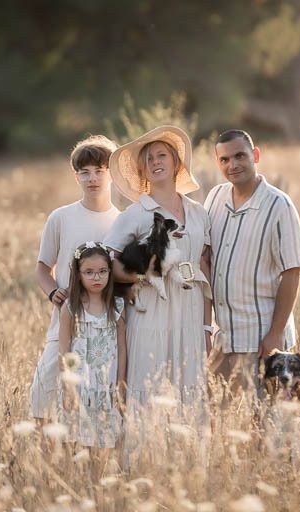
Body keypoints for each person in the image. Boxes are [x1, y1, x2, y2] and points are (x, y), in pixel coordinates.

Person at [103, 125, 212, 468]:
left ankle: (187, 471)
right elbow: (108, 265)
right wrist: (145, 274)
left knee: (189, 385)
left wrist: (208, 329)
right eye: (148, 159)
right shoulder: (136, 213)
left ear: (177, 162)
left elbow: (205, 266)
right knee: (148, 385)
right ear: (142, 170)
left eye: (161, 155)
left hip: (192, 310)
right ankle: (141, 469)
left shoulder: (198, 212)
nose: (154, 162)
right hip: (149, 310)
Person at [204, 129, 300, 396]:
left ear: (255, 155)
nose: (233, 164)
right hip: (223, 338)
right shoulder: (215, 198)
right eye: (225, 159)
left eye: (240, 156)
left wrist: (275, 334)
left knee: (260, 423)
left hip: (260, 340)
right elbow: (205, 257)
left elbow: (292, 272)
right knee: (218, 420)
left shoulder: (278, 206)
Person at [29, 135, 120, 421]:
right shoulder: (62, 217)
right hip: (66, 323)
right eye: (85, 172)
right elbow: (43, 268)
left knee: (92, 405)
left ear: (112, 173)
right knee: (44, 395)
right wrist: (53, 292)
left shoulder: (123, 221)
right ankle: (46, 460)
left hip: (104, 329)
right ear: (76, 175)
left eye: (100, 170)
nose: (93, 178)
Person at [57, 242, 127, 478]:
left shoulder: (116, 306)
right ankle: (80, 481)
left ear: (109, 272)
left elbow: (122, 347)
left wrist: (121, 384)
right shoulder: (70, 307)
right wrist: (67, 385)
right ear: (78, 274)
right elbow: (64, 348)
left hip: (105, 386)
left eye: (102, 271)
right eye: (89, 272)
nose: (96, 277)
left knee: (105, 441)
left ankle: (100, 481)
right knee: (79, 438)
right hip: (80, 384)